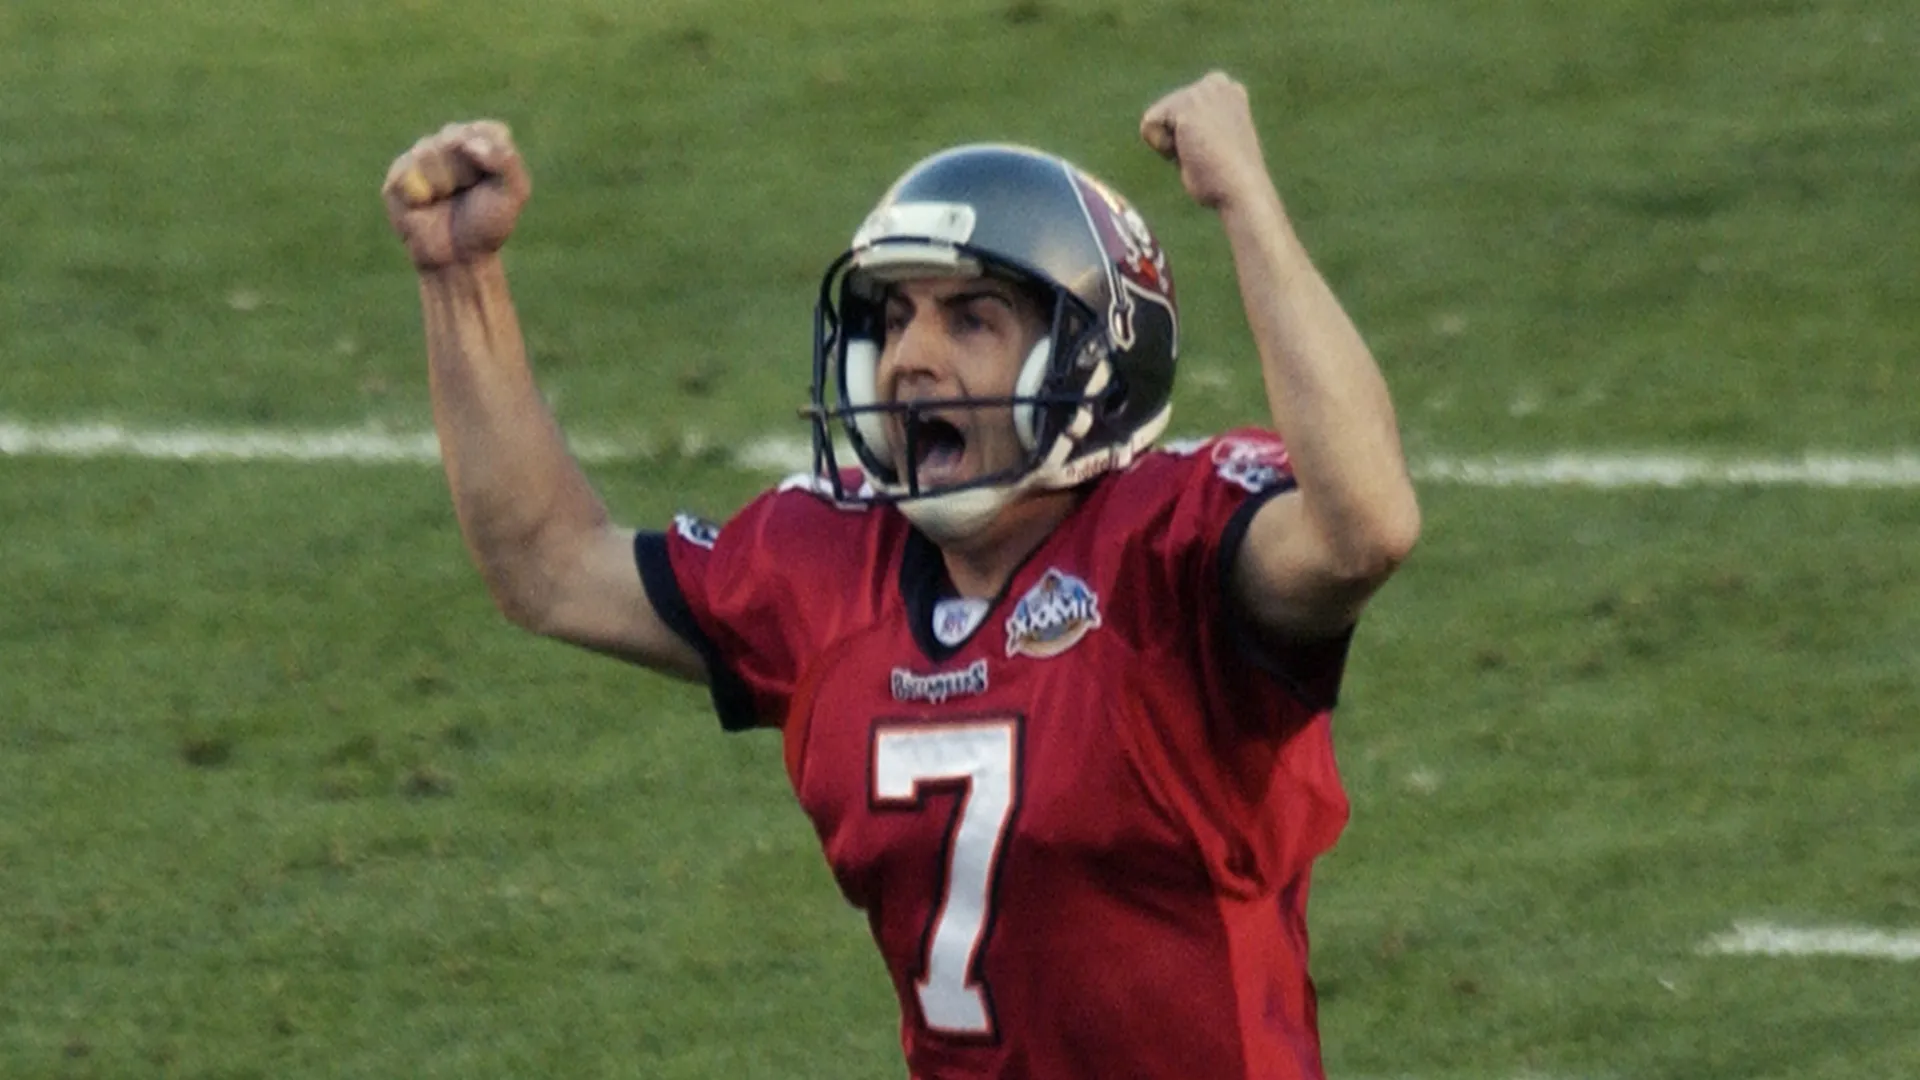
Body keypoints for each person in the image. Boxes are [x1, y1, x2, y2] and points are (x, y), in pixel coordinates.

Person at [383, 70, 1419, 1080]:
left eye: (971, 319)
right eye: (894, 318)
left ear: (1087, 364)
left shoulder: (1173, 550)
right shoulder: (824, 564)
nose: (910, 359)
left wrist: (1246, 203)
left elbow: (1366, 524)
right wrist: (459, 279)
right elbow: (547, 566)